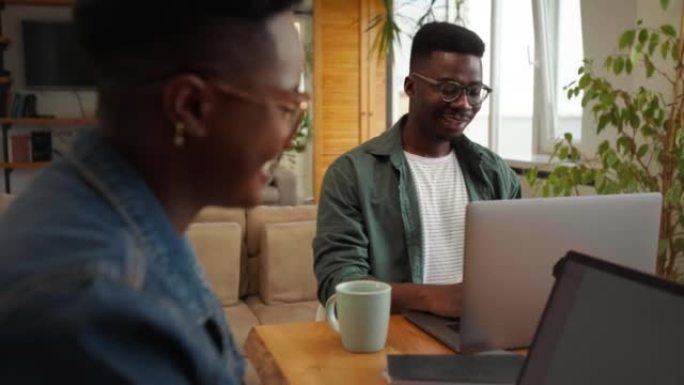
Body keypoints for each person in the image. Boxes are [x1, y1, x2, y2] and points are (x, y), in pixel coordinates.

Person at [0, 0, 307, 383]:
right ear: (190, 107)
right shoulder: (96, 314)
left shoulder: (113, 218)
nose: (289, 136)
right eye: (286, 106)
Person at [314, 22, 520, 319]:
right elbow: (338, 281)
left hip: (475, 332)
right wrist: (435, 297)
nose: (464, 104)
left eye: (474, 91)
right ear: (411, 87)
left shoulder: (496, 174)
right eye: (449, 89)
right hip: (386, 336)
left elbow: (512, 268)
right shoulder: (351, 174)